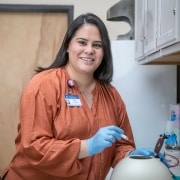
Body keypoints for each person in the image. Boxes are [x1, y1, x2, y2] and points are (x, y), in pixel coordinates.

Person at [1, 13, 167, 180]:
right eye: (82, 42)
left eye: (97, 45)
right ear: (67, 46)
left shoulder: (111, 95)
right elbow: (33, 147)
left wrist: (132, 156)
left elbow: (120, 145)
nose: (89, 50)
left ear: (104, 52)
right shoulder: (43, 86)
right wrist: (86, 146)